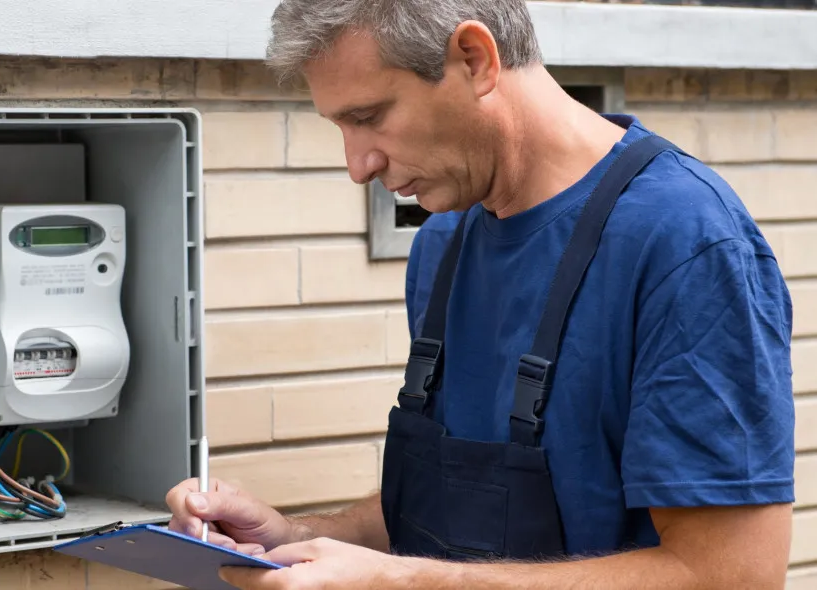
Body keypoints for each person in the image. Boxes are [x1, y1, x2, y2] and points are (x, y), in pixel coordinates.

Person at [165, 1, 797, 588]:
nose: (358, 165)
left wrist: (406, 583)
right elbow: (465, 515)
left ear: (475, 59)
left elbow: (729, 576)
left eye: (368, 117)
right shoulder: (443, 243)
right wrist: (301, 539)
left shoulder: (684, 243)